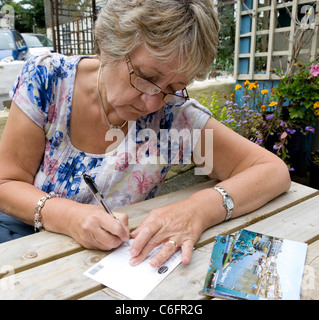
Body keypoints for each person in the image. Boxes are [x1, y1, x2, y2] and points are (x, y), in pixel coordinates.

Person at [0, 0, 290, 269]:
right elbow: (6, 182)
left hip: (107, 268)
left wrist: (199, 210)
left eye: (174, 87)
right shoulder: (48, 80)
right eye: (147, 78)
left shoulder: (175, 117)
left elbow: (272, 171)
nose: (152, 102)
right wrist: (68, 216)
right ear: (110, 45)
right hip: (22, 245)